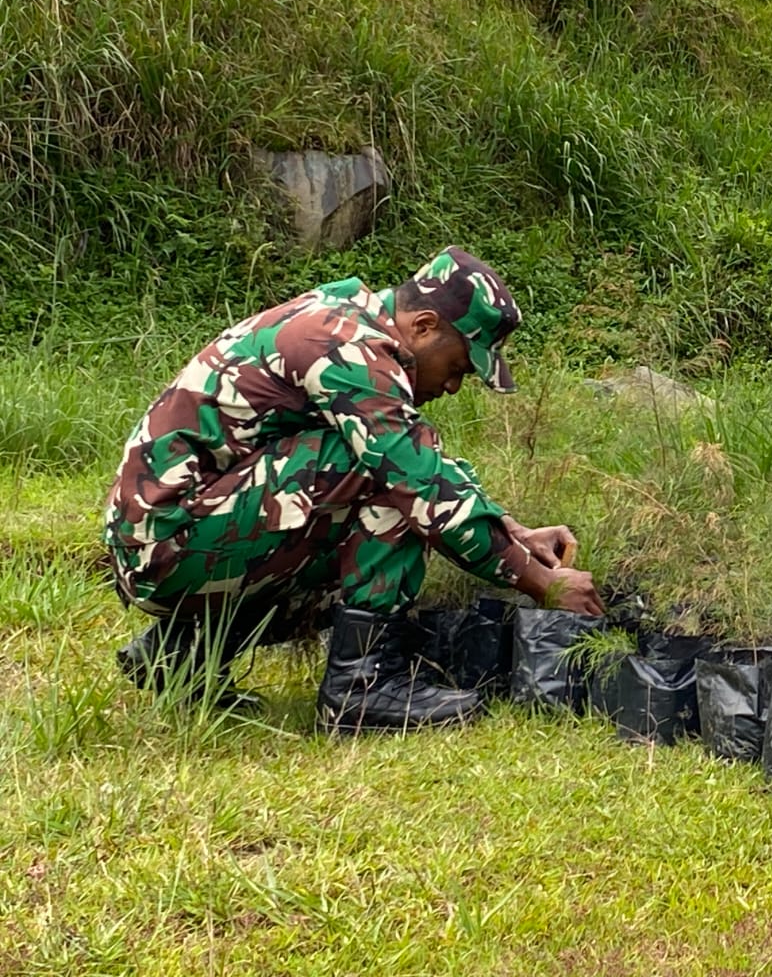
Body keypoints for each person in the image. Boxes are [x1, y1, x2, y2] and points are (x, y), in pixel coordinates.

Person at [104, 246, 604, 731]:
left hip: (173, 535)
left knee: (385, 474)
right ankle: (361, 688)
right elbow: (419, 482)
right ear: (425, 325)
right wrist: (543, 584)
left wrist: (512, 534)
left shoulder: (347, 321)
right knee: (391, 479)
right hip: (169, 545)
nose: (453, 386)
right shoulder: (344, 345)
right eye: (457, 367)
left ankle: (179, 653)